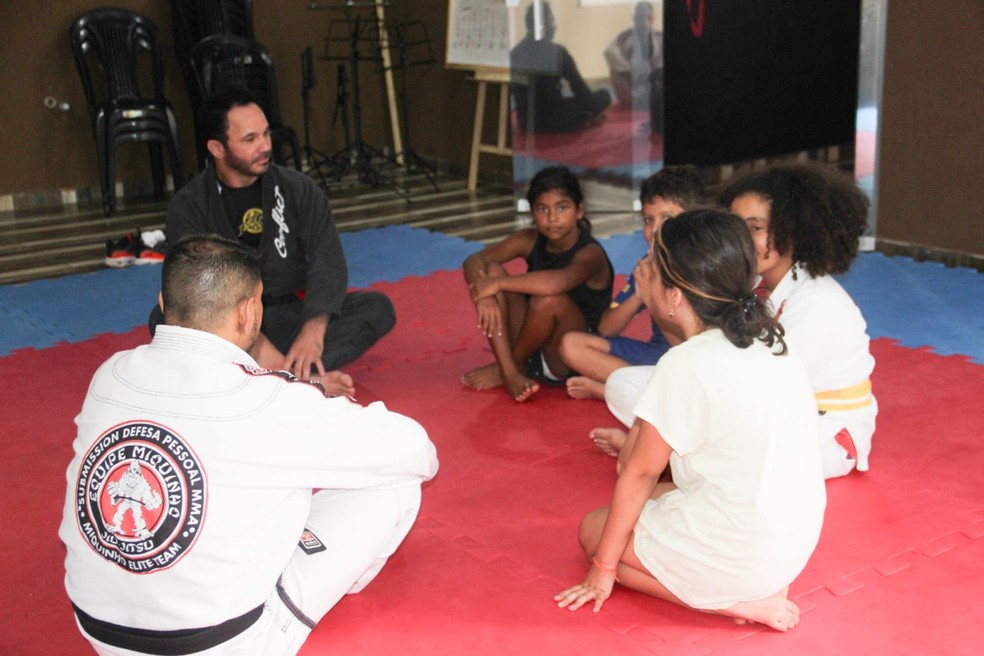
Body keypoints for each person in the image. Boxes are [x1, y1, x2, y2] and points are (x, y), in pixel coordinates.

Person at [60, 234, 438, 656]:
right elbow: (418, 451)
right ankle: (337, 581)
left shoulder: (111, 372)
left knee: (268, 466)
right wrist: (325, 406)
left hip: (96, 628)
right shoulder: (267, 400)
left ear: (163, 303)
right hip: (224, 644)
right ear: (249, 312)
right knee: (393, 481)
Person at [554, 209, 826, 631]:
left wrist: (603, 568)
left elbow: (638, 471)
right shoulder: (768, 338)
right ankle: (744, 586)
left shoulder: (684, 363)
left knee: (593, 528)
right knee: (662, 494)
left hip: (746, 555)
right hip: (792, 546)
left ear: (674, 295)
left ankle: (738, 605)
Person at [598, 163, 877, 479]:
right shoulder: (753, 283)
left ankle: (665, 459)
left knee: (713, 424)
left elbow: (757, 387)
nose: (744, 240)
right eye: (738, 229)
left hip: (821, 433)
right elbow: (709, 356)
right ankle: (668, 455)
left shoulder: (817, 301)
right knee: (624, 384)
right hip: (758, 405)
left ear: (793, 230)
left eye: (755, 228)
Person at [161, 87, 395, 396]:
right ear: (217, 148)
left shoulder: (299, 189)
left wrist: (313, 331)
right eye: (250, 139)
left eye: (266, 134)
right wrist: (256, 342)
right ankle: (299, 382)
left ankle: (275, 377)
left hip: (289, 316)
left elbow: (328, 262)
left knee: (377, 307)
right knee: (166, 321)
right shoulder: (189, 205)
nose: (265, 146)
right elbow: (193, 290)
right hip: (229, 326)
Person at [461, 165, 614, 402]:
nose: (552, 218)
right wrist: (484, 295)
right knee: (490, 270)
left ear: (579, 210)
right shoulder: (529, 239)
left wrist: (497, 285)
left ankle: (513, 366)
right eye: (543, 209)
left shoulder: (591, 254)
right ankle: (509, 369)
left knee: (547, 300)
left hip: (567, 356)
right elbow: (474, 260)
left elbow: (557, 283)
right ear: (533, 213)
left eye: (562, 208)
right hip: (532, 339)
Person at [560, 166, 705, 406]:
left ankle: (619, 390)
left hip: (690, 360)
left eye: (667, 218)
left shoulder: (703, 266)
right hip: (658, 354)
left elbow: (692, 348)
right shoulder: (649, 264)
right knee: (570, 345)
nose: (654, 229)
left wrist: (651, 298)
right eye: (648, 219)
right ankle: (633, 389)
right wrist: (639, 295)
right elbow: (606, 329)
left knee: (686, 376)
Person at [510, 2, 612, 134]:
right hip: (557, 120)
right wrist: (592, 109)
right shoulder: (557, 53)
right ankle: (585, 118)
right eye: (552, 22)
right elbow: (581, 91)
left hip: (526, 123)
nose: (554, 26)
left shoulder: (514, 54)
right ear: (544, 26)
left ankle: (585, 117)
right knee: (604, 95)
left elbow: (515, 91)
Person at [604, 1, 663, 111]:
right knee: (612, 53)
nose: (645, 22)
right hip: (631, 92)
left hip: (655, 88)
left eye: (649, 18)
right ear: (634, 18)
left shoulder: (659, 37)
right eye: (641, 18)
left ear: (653, 18)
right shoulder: (624, 37)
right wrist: (629, 73)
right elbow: (609, 52)